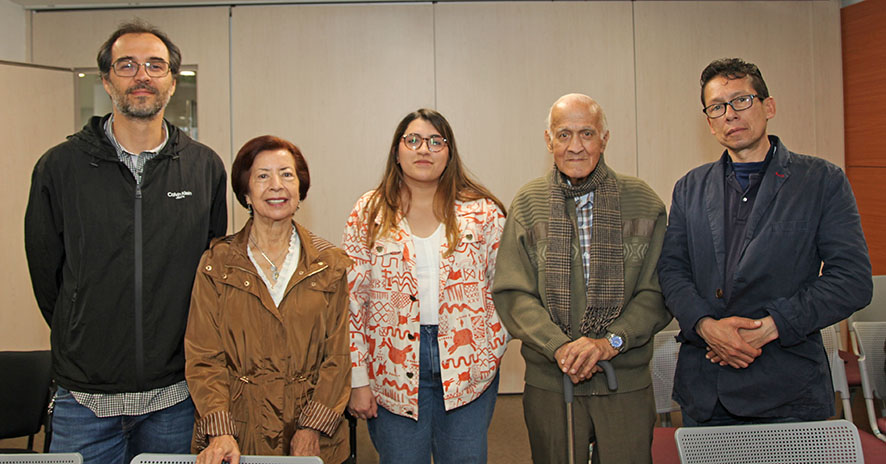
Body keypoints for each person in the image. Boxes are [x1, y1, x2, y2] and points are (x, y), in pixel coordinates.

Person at [24, 21, 227, 463]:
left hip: (175, 397)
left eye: (156, 65)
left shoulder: (203, 168)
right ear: (107, 80)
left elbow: (211, 276)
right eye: (127, 64)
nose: (142, 75)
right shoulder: (59, 167)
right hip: (84, 398)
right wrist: (82, 330)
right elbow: (47, 275)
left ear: (172, 81)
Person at [657, 58, 873, 426]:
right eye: (717, 107)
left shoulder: (821, 181)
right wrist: (708, 327)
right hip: (707, 389)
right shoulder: (689, 187)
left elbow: (851, 281)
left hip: (788, 390)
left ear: (768, 106)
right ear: (709, 122)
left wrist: (769, 327)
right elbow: (672, 270)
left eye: (741, 100)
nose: (730, 114)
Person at [493, 93, 670, 464]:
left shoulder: (642, 201)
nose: (575, 146)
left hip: (625, 379)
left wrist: (609, 343)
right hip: (550, 383)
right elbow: (513, 293)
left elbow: (658, 291)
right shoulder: (528, 203)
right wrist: (558, 346)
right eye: (564, 134)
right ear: (548, 140)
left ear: (605, 139)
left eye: (587, 134)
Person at [342, 109, 508, 463]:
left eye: (436, 141)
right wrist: (358, 379)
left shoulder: (484, 212)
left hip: (467, 368)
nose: (424, 150)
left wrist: (492, 345)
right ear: (397, 151)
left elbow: (505, 288)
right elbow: (353, 302)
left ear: (449, 152)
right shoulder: (367, 212)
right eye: (413, 140)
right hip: (391, 367)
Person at [185, 135, 351, 464]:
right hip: (237, 433)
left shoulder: (330, 263)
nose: (276, 185)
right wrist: (220, 430)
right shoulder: (217, 263)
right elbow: (204, 358)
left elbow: (338, 357)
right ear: (245, 192)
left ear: (300, 189)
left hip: (312, 435)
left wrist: (312, 428)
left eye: (287, 175)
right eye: (262, 176)